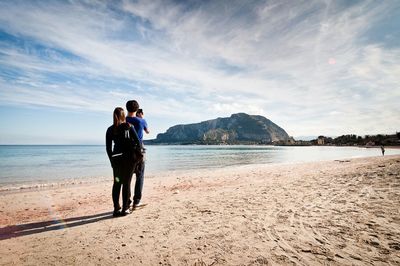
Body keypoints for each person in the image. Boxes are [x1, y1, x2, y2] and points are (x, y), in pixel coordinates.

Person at [106, 107, 142, 217]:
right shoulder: (129, 126)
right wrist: (137, 158)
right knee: (126, 183)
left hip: (116, 159)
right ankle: (125, 209)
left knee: (117, 183)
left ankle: (116, 209)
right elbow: (138, 143)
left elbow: (108, 148)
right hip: (129, 159)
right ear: (123, 116)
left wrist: (112, 161)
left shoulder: (110, 129)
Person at [126, 100, 148, 209]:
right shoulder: (141, 121)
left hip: (126, 151)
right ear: (137, 110)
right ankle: (136, 201)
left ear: (127, 108)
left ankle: (127, 202)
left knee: (127, 178)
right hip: (139, 150)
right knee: (140, 176)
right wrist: (142, 117)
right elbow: (148, 131)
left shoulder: (123, 121)